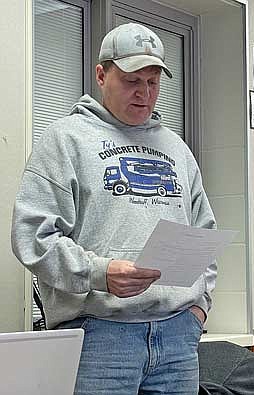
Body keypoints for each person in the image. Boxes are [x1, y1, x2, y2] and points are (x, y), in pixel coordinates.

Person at [11, 23, 216, 395]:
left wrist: (198, 308)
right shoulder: (65, 139)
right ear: (101, 75)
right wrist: (99, 273)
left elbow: (202, 234)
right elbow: (33, 236)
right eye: (132, 81)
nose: (144, 94)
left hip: (177, 337)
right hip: (99, 334)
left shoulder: (177, 149)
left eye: (153, 83)